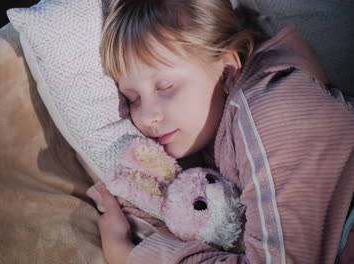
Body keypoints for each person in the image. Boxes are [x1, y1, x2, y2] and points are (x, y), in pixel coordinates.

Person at [84, 0, 354, 263]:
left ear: (226, 69)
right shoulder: (221, 128)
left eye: (165, 86)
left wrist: (130, 255)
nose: (147, 116)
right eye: (132, 98)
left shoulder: (273, 110)